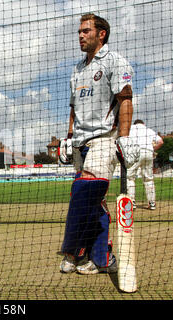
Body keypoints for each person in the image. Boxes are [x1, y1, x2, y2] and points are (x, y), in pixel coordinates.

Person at [58, 13, 139, 275]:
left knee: (84, 190)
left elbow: (125, 99)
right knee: (95, 202)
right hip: (81, 143)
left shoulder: (115, 61)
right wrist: (68, 139)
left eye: (85, 31)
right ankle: (103, 259)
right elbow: (73, 108)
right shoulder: (77, 69)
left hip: (105, 138)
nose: (80, 36)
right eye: (79, 32)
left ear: (101, 34)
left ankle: (73, 251)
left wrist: (124, 138)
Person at [127, 119, 164, 210]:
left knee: (130, 177)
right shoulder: (148, 130)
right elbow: (160, 142)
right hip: (148, 153)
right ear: (143, 124)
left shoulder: (130, 128)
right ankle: (152, 203)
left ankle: (132, 202)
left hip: (135, 153)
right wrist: (152, 149)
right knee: (148, 178)